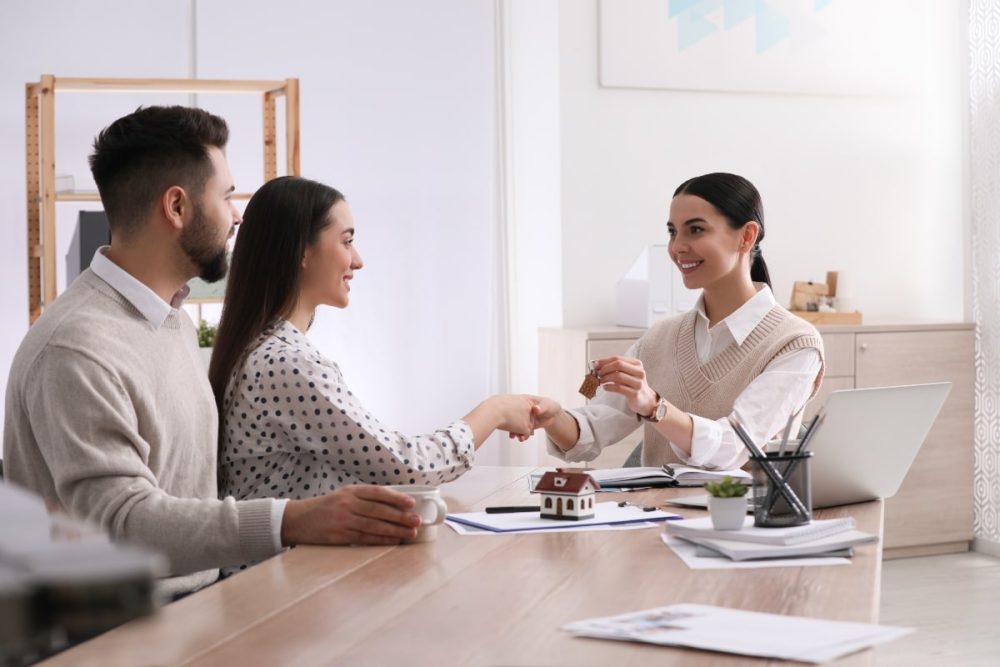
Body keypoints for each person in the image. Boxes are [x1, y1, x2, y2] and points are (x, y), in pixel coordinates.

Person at [3, 106, 427, 599]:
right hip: (111, 633)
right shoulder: (76, 348)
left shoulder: (173, 322)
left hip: (199, 600)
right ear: (177, 207)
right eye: (226, 195)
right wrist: (292, 519)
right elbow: (121, 522)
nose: (236, 215)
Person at [209, 175, 535, 513]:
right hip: (286, 565)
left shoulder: (261, 350)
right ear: (302, 252)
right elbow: (409, 469)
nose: (358, 260)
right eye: (346, 241)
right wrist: (494, 412)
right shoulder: (284, 363)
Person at [531, 173, 825, 470]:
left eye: (695, 230)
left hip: (736, 516)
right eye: (673, 232)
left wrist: (654, 406)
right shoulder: (660, 337)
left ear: (746, 236)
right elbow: (591, 432)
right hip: (649, 515)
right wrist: (553, 418)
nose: (678, 247)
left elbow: (734, 446)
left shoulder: (795, 344)